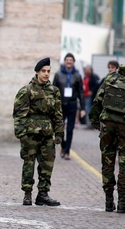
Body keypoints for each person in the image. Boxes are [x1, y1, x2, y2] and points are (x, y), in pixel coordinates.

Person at [13, 58, 63, 207]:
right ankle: (27, 193)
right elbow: (19, 114)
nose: (46, 74)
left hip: (47, 134)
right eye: (43, 71)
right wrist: (21, 134)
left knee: (47, 164)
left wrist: (59, 133)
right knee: (29, 164)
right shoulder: (26, 90)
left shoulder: (54, 91)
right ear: (37, 72)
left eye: (48, 71)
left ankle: (43, 194)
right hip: (31, 134)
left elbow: (58, 114)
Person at [89, 64, 125, 214]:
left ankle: (109, 200)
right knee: (124, 162)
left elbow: (98, 101)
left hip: (107, 124)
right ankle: (123, 201)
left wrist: (97, 123)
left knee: (107, 160)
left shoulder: (110, 77)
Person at [53, 53, 85, 160]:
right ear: (64, 62)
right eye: (67, 60)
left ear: (73, 62)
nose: (69, 62)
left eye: (71, 60)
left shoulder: (77, 75)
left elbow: (80, 92)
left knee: (70, 129)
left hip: (72, 105)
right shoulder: (58, 74)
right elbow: (53, 90)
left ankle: (67, 151)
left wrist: (83, 108)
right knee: (60, 129)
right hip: (61, 105)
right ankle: (63, 146)